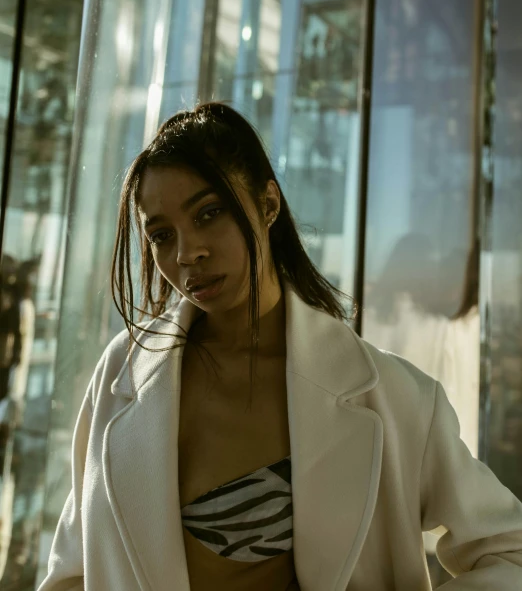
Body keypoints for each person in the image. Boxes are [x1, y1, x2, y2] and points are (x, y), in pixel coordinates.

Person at [38, 102, 522, 591]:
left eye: (209, 213)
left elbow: (510, 552)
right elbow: (71, 572)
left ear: (268, 204)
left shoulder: (393, 397)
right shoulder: (121, 374)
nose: (187, 253)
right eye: (162, 235)